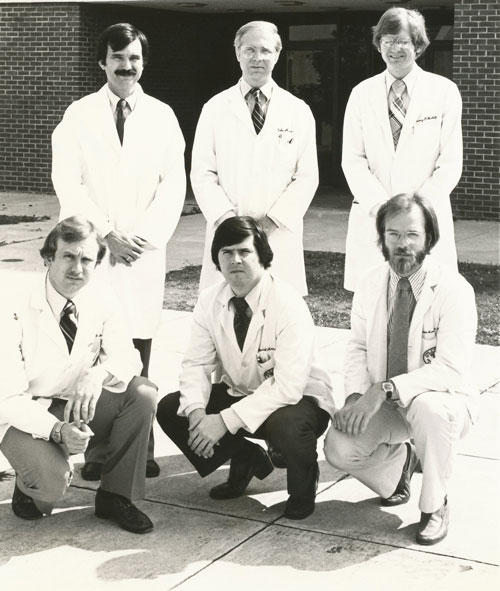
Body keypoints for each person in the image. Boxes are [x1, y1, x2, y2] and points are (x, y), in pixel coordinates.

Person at [51, 22, 186, 478]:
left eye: (134, 58)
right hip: (96, 250)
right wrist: (107, 234)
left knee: (139, 346)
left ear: (143, 63)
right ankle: (97, 451)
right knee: (93, 348)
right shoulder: (79, 114)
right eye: (118, 58)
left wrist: (140, 238)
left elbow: (173, 184)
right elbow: (66, 181)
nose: (127, 67)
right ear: (102, 61)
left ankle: (140, 449)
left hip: (141, 255)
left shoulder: (162, 116)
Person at [156, 216, 335, 519]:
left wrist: (222, 422)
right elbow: (196, 364)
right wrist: (198, 416)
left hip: (298, 402)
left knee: (286, 425)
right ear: (217, 259)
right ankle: (247, 458)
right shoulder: (209, 300)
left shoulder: (287, 303)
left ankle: (303, 488)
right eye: (226, 252)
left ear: (262, 256)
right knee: (172, 409)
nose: (235, 260)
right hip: (242, 392)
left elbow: (288, 387)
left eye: (244, 251)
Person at [324, 193, 477, 545]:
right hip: (389, 406)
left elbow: (450, 370)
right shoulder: (369, 283)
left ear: (429, 238)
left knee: (428, 408)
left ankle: (435, 504)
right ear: (382, 238)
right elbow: (358, 346)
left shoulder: (454, 290)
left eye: (412, 235)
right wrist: (354, 397)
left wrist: (384, 389)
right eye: (393, 234)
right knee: (338, 447)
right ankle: (398, 468)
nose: (402, 244)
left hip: (443, 402)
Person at [0, 217, 157, 534]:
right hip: (22, 412)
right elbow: (6, 396)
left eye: (86, 260)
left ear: (97, 264)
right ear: (48, 257)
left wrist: (98, 375)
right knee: (49, 487)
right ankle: (30, 478)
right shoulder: (11, 303)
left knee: (142, 394)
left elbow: (128, 358)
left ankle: (115, 496)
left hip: (75, 404)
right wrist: (57, 431)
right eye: (68, 256)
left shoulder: (102, 296)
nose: (77, 269)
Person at [191, 21, 318, 295]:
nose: (257, 58)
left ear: (277, 54)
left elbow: (307, 177)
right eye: (249, 50)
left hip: (278, 234)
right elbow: (202, 173)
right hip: (227, 231)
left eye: (265, 50)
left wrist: (269, 224)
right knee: (225, 305)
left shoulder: (298, 110)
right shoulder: (214, 108)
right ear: (237, 52)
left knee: (278, 308)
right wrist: (230, 224)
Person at [342, 7, 462, 291]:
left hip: (425, 215)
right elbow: (353, 160)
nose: (394, 48)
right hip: (374, 214)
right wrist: (382, 208)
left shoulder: (444, 91)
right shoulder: (361, 94)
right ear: (379, 45)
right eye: (388, 40)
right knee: (374, 298)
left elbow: (450, 163)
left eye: (402, 41)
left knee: (428, 296)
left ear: (418, 46)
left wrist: (416, 211)